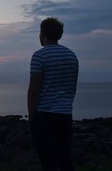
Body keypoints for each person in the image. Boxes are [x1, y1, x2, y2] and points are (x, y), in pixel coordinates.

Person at [27, 17, 78, 171]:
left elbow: (33, 91)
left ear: (43, 33)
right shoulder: (72, 56)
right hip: (65, 114)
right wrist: (66, 106)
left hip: (44, 115)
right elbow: (73, 88)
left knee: (48, 161)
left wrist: (31, 116)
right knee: (65, 158)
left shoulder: (39, 56)